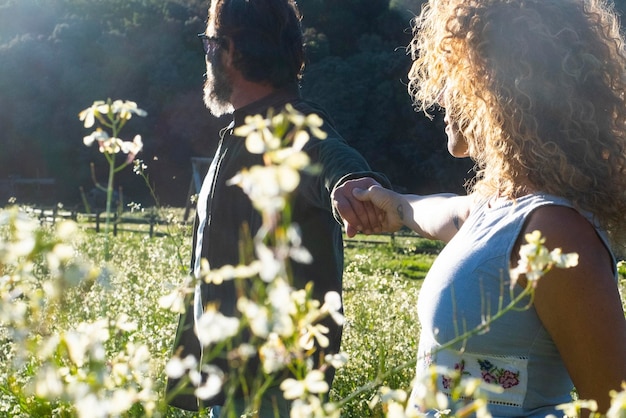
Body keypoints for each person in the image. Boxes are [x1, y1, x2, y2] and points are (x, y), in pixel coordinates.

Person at [349, 0, 626, 415]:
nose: (440, 95)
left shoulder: (555, 231)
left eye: (453, 75)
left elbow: (613, 406)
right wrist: (396, 205)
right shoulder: (495, 210)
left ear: (495, 84)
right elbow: (440, 211)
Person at [166, 0, 389, 416]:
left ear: (230, 50)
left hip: (273, 394)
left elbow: (329, 156)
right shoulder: (240, 130)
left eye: (210, 43)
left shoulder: (291, 126)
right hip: (233, 390)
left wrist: (351, 182)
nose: (207, 54)